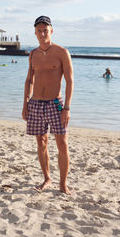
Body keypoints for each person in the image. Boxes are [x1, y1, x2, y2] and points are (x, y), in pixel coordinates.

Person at [22, 16, 74, 195]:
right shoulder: (33, 54)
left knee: (62, 143)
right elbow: (29, 80)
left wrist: (66, 107)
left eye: (46, 29)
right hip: (35, 103)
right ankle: (47, 179)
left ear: (51, 31)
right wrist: (25, 104)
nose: (42, 33)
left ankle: (63, 184)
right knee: (41, 142)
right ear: (35, 33)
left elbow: (70, 81)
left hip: (56, 104)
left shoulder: (61, 52)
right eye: (39, 30)